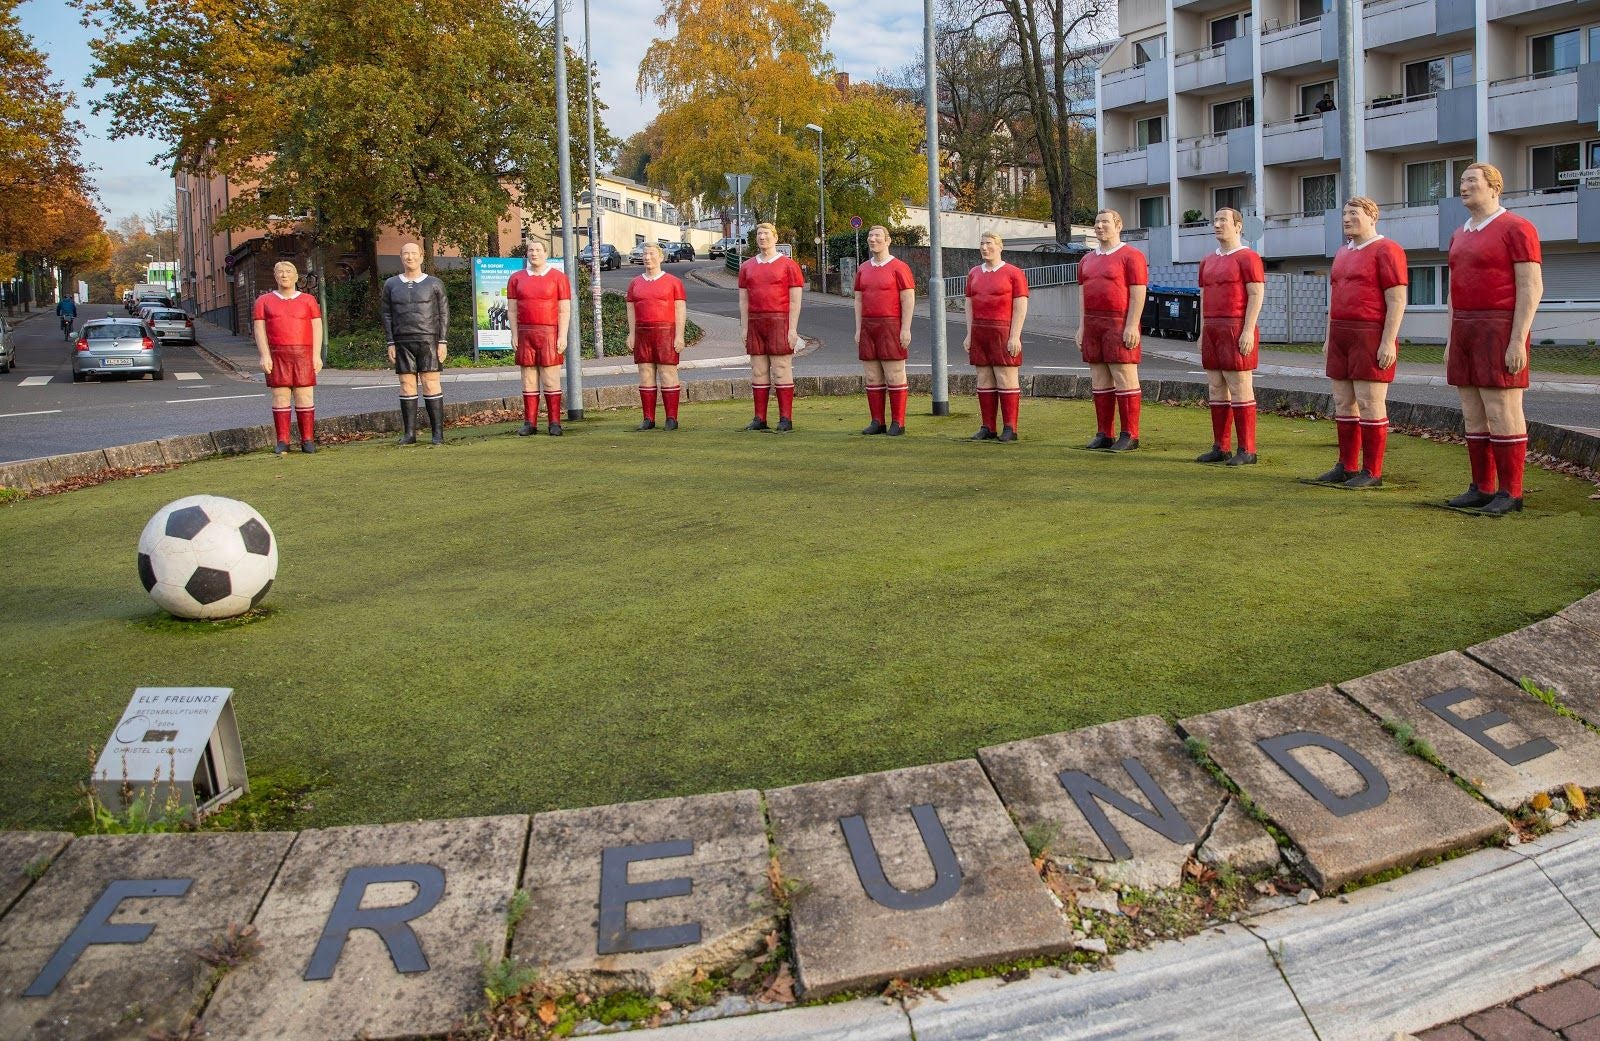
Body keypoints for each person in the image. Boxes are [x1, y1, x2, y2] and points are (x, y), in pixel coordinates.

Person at [1444, 162, 1543, 515]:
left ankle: (1511, 492)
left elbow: (1531, 286)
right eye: (1462, 180)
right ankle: (1482, 487)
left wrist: (1518, 339)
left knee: (1503, 409)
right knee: (1472, 412)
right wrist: (1451, 337)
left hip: (1498, 327)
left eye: (1472, 180)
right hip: (1465, 330)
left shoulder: (1517, 228)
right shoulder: (1459, 234)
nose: (1464, 185)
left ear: (1494, 187)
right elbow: (1455, 291)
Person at [1314, 198, 1407, 488]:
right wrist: (1329, 338)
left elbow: (1397, 299)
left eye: (1353, 213)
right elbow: (1334, 300)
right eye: (1344, 213)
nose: (1346, 218)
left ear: (1372, 216)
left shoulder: (1387, 249)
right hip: (1341, 335)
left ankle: (1372, 471)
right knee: (1343, 401)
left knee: (1369, 402)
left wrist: (1388, 341)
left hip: (1369, 334)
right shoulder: (1342, 253)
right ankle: (1347, 464)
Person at [1075, 209, 1149, 452]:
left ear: (1118, 225)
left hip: (1118, 323)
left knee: (1124, 375)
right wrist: (1082, 326)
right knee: (1099, 377)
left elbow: (1138, 291)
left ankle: (1130, 434)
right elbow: (1083, 294)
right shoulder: (1086, 259)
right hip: (1094, 325)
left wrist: (1132, 325)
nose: (1099, 226)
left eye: (1105, 222)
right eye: (1096, 222)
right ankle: (1104, 432)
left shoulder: (1132, 256)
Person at [1196, 209, 1265, 465]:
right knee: (1215, 386)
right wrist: (1202, 330)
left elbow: (1256, 294)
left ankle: (1247, 449)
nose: (1217, 224)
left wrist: (1248, 329)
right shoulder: (1207, 261)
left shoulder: (1248, 257)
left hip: (1235, 326)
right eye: (1214, 220)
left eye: (1223, 220)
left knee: (1239, 386)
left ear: (1238, 226)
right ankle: (1220, 447)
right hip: (1212, 328)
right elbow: (1204, 297)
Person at [380, 242, 450, 445]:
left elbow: (444, 313)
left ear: (421, 256)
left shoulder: (435, 283)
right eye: (405, 254)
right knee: (406, 384)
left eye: (413, 253)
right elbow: (386, 314)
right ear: (401, 257)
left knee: (430, 383)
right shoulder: (391, 284)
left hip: (428, 340)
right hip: (402, 341)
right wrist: (390, 342)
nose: (410, 257)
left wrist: (442, 341)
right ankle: (409, 434)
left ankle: (437, 434)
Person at [737, 223, 805, 431]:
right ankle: (760, 418)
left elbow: (795, 301)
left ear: (775, 237)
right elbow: (743, 301)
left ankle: (786, 418)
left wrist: (792, 329)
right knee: (758, 370)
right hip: (756, 323)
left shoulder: (788, 265)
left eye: (766, 233)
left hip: (779, 322)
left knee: (781, 368)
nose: (762, 237)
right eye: (759, 234)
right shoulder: (747, 266)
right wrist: (745, 327)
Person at [963, 231, 1030, 441]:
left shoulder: (1013, 273)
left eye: (989, 243)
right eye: (982, 243)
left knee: (1006, 378)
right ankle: (988, 427)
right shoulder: (974, 273)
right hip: (980, 332)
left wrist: (1015, 335)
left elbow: (1020, 305)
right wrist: (969, 334)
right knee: (984, 379)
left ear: (1000, 246)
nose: (984, 247)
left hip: (1003, 331)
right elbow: (969, 304)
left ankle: (1010, 427)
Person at [252, 261, 325, 454]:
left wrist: (316, 355)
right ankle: (282, 440)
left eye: (288, 272)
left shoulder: (308, 300)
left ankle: (307, 440)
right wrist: (264, 355)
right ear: (275, 276)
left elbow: (317, 327)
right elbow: (259, 329)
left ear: (295, 276)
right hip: (277, 354)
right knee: (280, 396)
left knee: (305, 395)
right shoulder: (263, 301)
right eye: (280, 272)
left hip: (303, 354)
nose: (284, 275)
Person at [852, 225, 915, 435]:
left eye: (877, 235)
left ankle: (898, 422)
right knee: (872, 375)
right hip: (869, 326)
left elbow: (908, 297)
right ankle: (877, 421)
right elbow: (859, 299)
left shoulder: (899, 267)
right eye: (870, 235)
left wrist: (905, 328)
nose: (873, 239)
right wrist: (859, 328)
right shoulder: (863, 268)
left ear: (887, 240)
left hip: (891, 325)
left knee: (895, 373)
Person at [506, 240, 570, 437]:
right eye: (531, 250)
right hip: (526, 333)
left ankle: (555, 423)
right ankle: (530, 422)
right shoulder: (516, 278)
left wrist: (562, 335)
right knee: (528, 380)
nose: (534, 253)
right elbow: (513, 309)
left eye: (538, 250)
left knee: (551, 379)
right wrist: (514, 333)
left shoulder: (559, 278)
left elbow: (564, 309)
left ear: (545, 253)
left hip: (549, 333)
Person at [625, 243, 688, 430]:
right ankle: (648, 418)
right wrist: (632, 333)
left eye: (652, 254)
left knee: (667, 373)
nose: (647, 257)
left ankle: (671, 418)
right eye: (645, 254)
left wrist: (679, 336)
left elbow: (680, 309)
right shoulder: (635, 283)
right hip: (643, 332)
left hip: (666, 332)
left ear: (661, 257)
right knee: (645, 373)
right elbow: (631, 309)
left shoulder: (673, 282)